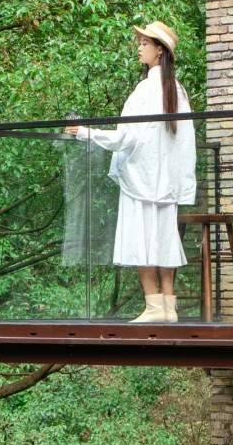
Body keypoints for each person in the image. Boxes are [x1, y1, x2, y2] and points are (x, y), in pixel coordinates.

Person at [65, 21, 197, 323]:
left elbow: (126, 137)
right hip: (166, 183)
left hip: (141, 178)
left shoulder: (147, 89)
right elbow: (184, 143)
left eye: (144, 43)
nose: (139, 48)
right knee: (163, 239)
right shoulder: (177, 90)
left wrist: (85, 132)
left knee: (141, 239)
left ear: (159, 50)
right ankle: (168, 307)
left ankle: (154, 308)